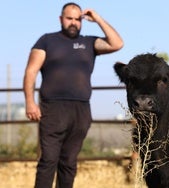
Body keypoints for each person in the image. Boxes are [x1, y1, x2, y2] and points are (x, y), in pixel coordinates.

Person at [23, 2, 123, 188]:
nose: (74, 23)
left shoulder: (89, 43)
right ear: (61, 19)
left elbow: (117, 43)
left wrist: (98, 19)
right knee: (49, 161)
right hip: (53, 109)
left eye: (78, 19)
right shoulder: (46, 40)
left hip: (81, 110)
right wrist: (30, 102)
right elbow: (31, 72)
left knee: (69, 163)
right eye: (69, 18)